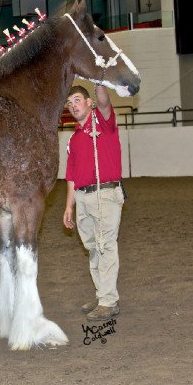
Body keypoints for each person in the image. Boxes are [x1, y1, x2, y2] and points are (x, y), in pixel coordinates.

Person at [63, 84, 125, 321]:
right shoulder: (74, 139)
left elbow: (104, 100)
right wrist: (69, 205)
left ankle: (108, 301)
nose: (73, 105)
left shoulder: (103, 123)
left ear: (89, 103)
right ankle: (103, 296)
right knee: (92, 247)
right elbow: (71, 175)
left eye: (77, 100)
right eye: (69, 103)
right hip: (82, 197)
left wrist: (98, 82)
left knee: (105, 245)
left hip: (106, 194)